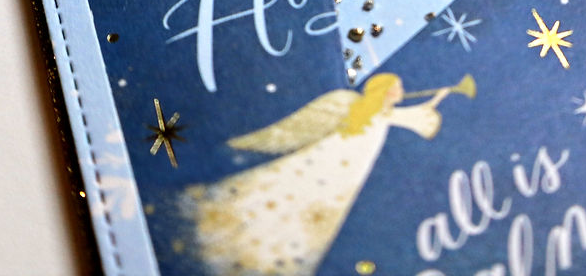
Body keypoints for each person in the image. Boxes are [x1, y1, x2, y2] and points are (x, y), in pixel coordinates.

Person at [181, 73, 454, 275]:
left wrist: (442, 95)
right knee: (285, 196)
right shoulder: (349, 103)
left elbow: (420, 117)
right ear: (381, 89)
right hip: (321, 164)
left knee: (313, 215)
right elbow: (297, 128)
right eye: (395, 88)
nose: (399, 92)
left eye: (400, 88)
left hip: (344, 179)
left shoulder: (387, 114)